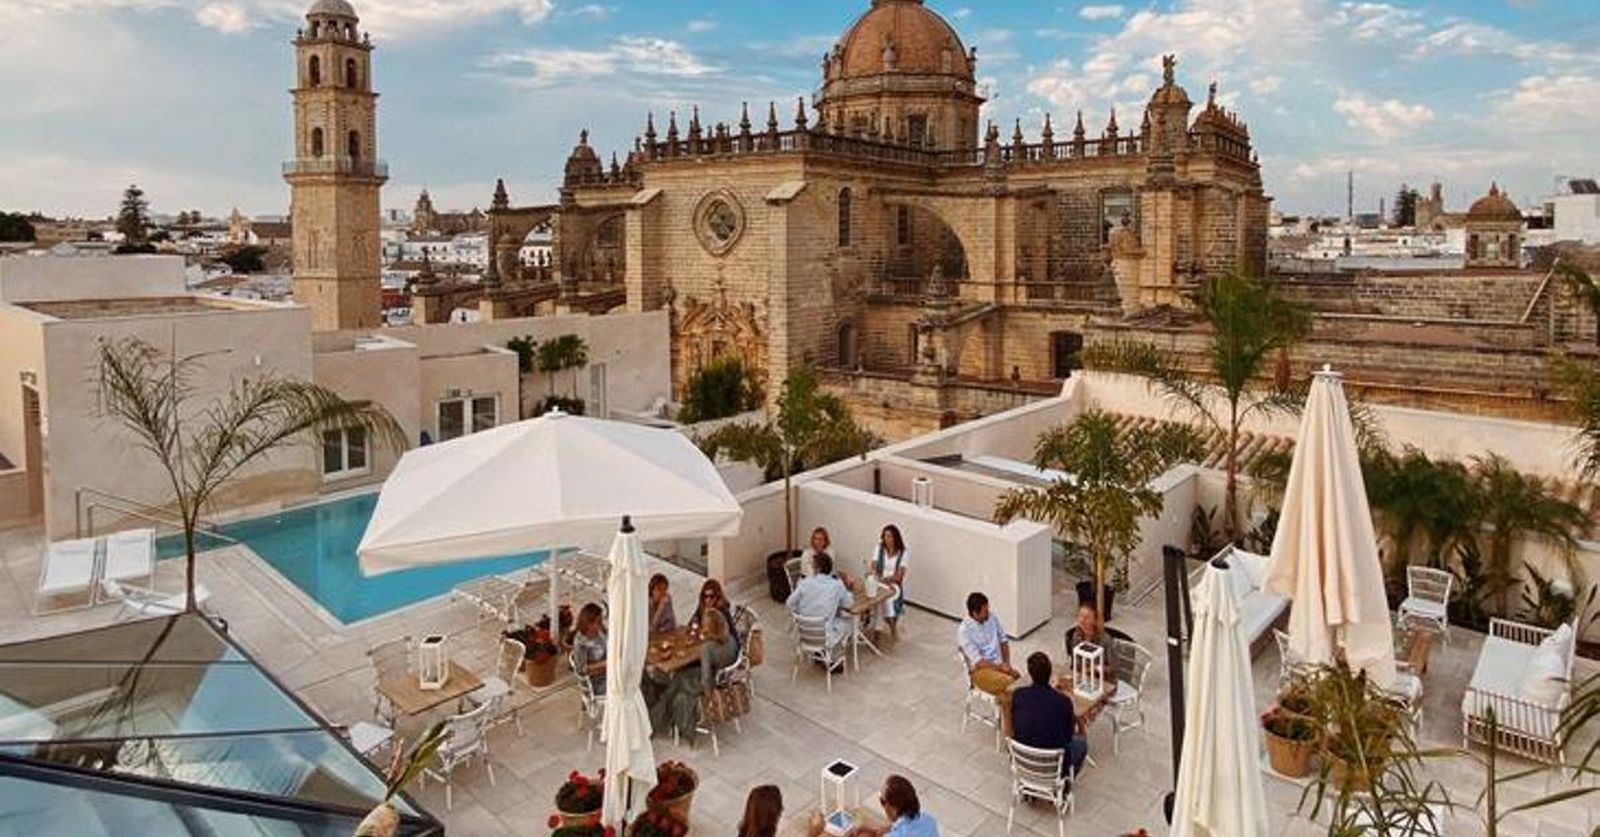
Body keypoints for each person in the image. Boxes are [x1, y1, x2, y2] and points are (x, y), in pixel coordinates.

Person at [1011, 652, 1089, 777]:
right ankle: (1067, 781)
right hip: (1053, 765)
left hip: (1023, 759)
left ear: (1030, 673)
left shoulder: (1018, 695)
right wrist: (1080, 724)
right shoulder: (1063, 702)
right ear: (1050, 672)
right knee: (1081, 743)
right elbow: (1069, 736)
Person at [786, 552, 854, 646]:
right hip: (824, 636)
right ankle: (837, 652)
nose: (811, 567)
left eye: (813, 565)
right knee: (849, 622)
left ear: (818, 568)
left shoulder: (805, 582)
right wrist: (848, 588)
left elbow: (789, 603)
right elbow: (848, 604)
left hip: (803, 633)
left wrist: (801, 613)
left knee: (830, 617)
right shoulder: (837, 585)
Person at [958, 591, 1018, 693]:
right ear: (974, 613)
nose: (988, 613)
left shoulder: (992, 617)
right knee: (1010, 685)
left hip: (998, 664)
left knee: (1020, 680)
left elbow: (1003, 641)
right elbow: (978, 662)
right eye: (985, 611)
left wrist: (1007, 664)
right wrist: (1000, 668)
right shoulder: (964, 631)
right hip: (980, 671)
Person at [858, 775, 938, 837]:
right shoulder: (929, 820)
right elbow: (900, 826)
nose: (882, 806)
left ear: (894, 808)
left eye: (882, 801)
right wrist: (876, 830)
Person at [870, 524, 908, 632]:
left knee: (885, 599)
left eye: (890, 536)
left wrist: (885, 580)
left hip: (893, 584)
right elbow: (873, 565)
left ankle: (884, 627)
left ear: (896, 538)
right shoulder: (879, 548)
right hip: (880, 581)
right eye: (885, 536)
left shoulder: (903, 553)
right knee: (878, 598)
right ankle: (881, 627)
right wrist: (875, 575)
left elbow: (899, 576)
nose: (887, 539)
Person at [1063, 601, 1131, 656]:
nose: (1082, 620)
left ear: (1095, 620)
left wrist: (1095, 668)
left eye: (1087, 617)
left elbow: (1113, 667)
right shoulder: (1076, 636)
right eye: (1080, 616)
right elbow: (1075, 661)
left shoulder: (1105, 640)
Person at [690, 578, 740, 652]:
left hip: (720, 649)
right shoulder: (702, 606)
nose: (708, 600)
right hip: (706, 643)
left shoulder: (722, 611)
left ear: (717, 596)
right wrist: (695, 623)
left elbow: (727, 634)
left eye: (711, 596)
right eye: (705, 596)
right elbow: (692, 622)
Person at [698, 608, 739, 692]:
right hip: (729, 676)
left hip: (716, 680)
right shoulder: (731, 638)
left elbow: (706, 677)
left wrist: (706, 694)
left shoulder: (707, 647)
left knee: (683, 678)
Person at [571, 602, 607, 694]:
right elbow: (582, 669)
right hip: (597, 682)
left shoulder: (600, 631)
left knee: (637, 673)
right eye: (598, 622)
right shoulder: (580, 642)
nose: (601, 624)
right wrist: (605, 664)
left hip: (608, 671)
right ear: (588, 624)